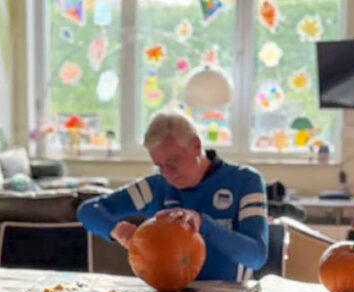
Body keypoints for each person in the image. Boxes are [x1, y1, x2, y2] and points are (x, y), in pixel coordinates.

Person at [77, 112, 269, 282]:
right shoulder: (157, 186)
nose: (168, 173)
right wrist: (115, 230)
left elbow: (257, 257)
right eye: (159, 165)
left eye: (173, 162)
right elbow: (88, 210)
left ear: (196, 145)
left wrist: (204, 224)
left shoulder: (245, 181)